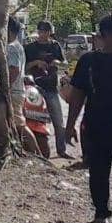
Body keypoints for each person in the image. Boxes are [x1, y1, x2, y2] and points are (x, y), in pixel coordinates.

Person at [64, 14, 112, 223]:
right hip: (97, 126)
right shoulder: (89, 61)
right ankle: (101, 214)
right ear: (106, 35)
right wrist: (69, 126)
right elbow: (78, 95)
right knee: (98, 173)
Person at [25, 21, 71, 158]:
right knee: (34, 120)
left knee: (58, 120)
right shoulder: (30, 48)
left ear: (50, 32)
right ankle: (34, 150)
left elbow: (65, 65)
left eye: (47, 31)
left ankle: (61, 150)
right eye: (41, 31)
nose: (44, 34)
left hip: (51, 88)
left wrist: (57, 63)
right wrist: (36, 63)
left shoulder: (55, 46)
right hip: (34, 89)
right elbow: (23, 67)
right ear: (38, 31)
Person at [6, 17, 45, 156]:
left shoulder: (11, 48)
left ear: (8, 30)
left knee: (20, 125)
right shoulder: (18, 46)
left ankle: (38, 154)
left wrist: (5, 88)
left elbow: (14, 70)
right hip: (18, 90)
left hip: (14, 91)